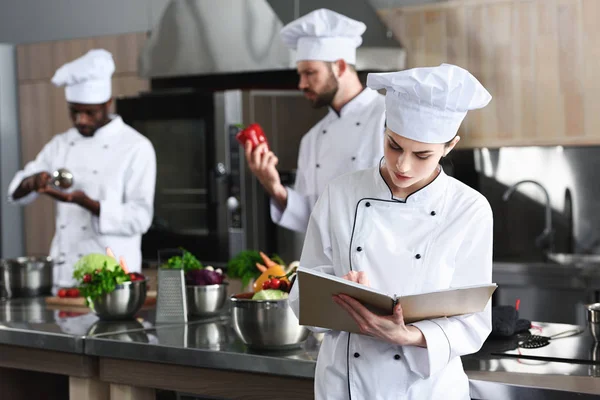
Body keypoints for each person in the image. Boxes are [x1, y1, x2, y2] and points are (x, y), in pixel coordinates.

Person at [289, 63, 493, 399]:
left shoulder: (468, 209)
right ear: (383, 130)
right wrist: (337, 294)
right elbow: (302, 292)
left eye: (423, 154)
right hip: (344, 384)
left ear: (449, 145)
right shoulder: (340, 193)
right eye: (394, 145)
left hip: (425, 390)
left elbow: (474, 321)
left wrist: (407, 335)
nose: (403, 165)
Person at [8, 49, 156, 290]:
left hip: (113, 279)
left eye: (90, 112)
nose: (81, 120)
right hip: (65, 276)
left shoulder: (136, 147)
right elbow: (16, 192)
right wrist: (32, 181)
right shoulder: (61, 143)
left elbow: (140, 218)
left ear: (108, 103)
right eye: (74, 111)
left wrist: (89, 204)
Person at [244, 8, 385, 233]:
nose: (301, 84)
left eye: (310, 72)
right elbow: (311, 221)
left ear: (339, 67)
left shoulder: (387, 118)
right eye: (300, 74)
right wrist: (273, 186)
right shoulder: (313, 138)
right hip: (329, 266)